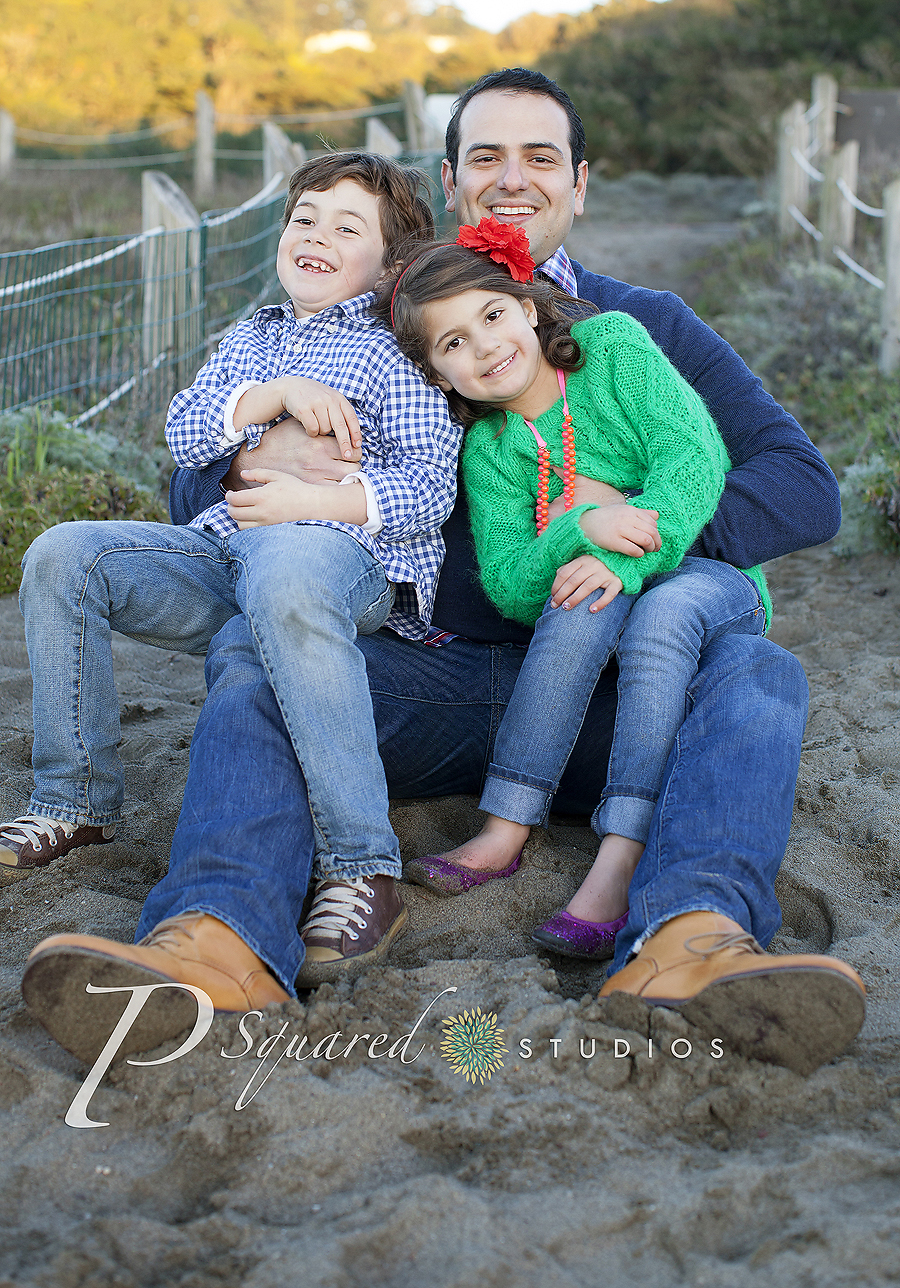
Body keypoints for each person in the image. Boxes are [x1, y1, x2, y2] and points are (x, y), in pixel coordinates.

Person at [22, 68, 865, 1078]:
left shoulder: (643, 329)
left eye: (540, 157)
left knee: (755, 672)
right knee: (260, 652)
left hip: (612, 692)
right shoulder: (388, 313)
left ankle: (691, 938)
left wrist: (618, 532)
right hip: (427, 676)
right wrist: (260, 464)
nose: (514, 178)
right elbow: (199, 488)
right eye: (487, 157)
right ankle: (217, 937)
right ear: (452, 180)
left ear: (580, 183)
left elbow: (802, 489)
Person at [5, 152, 462, 983]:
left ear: (389, 262)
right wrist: (273, 395)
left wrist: (317, 499)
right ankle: (75, 801)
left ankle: (363, 864)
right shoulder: (255, 336)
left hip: (343, 561)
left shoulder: (396, 347)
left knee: (286, 570)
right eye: (305, 219)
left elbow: (429, 489)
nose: (316, 236)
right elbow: (185, 435)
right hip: (226, 553)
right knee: (65, 554)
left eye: (347, 227)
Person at [387, 223, 769, 961]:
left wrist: (629, 556)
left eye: (492, 315)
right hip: (603, 575)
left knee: (663, 612)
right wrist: (580, 527)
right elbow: (509, 584)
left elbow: (694, 460)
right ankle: (506, 825)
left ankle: (621, 854)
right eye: (454, 343)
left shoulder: (613, 349)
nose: (485, 347)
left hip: (710, 579)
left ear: (528, 307)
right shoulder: (491, 450)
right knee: (572, 598)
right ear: (439, 375)